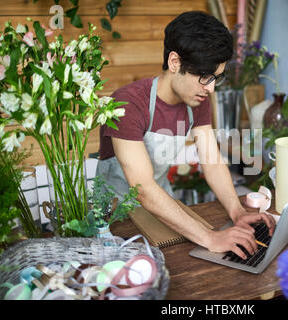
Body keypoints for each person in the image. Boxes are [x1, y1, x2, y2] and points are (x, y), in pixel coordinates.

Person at [96, 11, 275, 259]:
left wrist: (237, 213)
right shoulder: (127, 103)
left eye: (216, 78)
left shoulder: (198, 101)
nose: (210, 88)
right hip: (116, 221)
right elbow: (143, 189)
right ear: (174, 62)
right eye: (204, 76)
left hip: (164, 210)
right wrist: (210, 237)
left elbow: (212, 162)